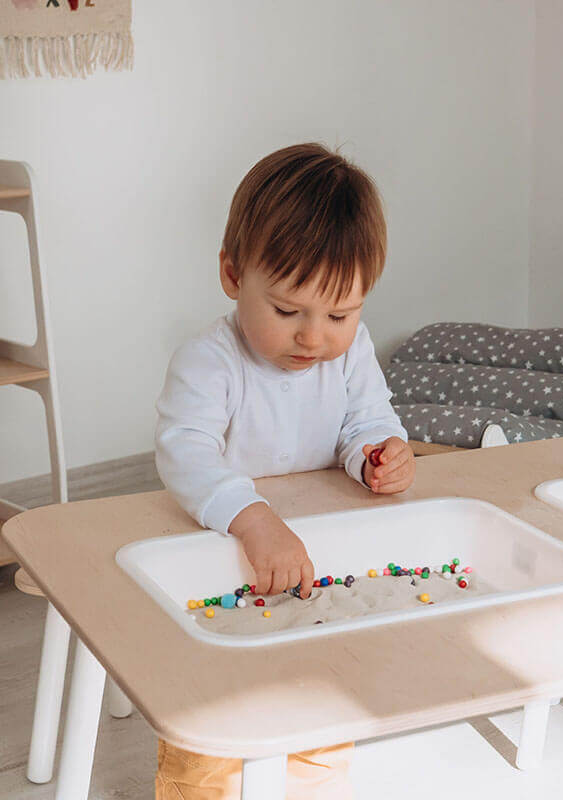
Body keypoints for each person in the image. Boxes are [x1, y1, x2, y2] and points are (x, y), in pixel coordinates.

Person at [154, 142, 415, 799]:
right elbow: (184, 452)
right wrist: (252, 519)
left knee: (322, 701)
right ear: (233, 276)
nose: (314, 337)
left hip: (318, 559)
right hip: (226, 563)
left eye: (340, 314)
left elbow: (366, 423)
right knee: (209, 724)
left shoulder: (349, 355)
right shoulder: (209, 361)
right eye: (288, 311)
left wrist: (378, 456)